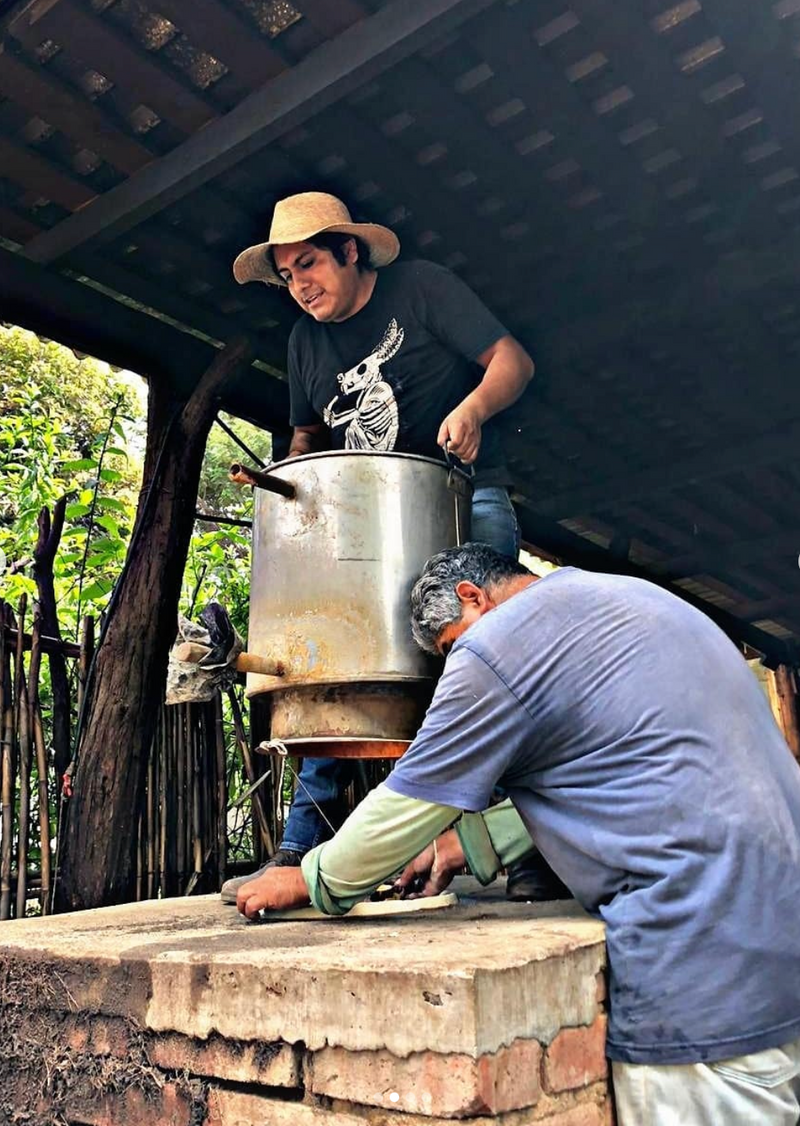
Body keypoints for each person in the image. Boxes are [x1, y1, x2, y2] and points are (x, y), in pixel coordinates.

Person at [236, 543, 800, 1126]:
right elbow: (620, 777)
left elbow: (409, 799)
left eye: (449, 647)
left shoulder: (495, 645)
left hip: (706, 977)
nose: (455, 664)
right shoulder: (626, 598)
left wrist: (313, 878)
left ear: (472, 598)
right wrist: (463, 845)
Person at [222, 190, 554, 902]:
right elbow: (308, 438)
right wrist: (291, 477)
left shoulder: (422, 289)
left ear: (350, 250)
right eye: (286, 275)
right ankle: (297, 851)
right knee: (335, 661)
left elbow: (512, 361)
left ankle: (531, 849)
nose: (299, 285)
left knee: (497, 665)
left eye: (309, 263)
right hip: (367, 523)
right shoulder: (304, 343)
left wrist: (471, 407)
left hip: (464, 499)